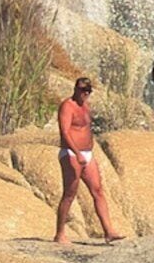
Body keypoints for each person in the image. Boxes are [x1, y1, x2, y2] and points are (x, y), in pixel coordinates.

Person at [51, 75, 123, 243]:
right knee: (69, 193)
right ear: (76, 89)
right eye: (83, 90)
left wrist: (88, 151)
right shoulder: (67, 106)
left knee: (98, 190)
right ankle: (60, 233)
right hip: (71, 153)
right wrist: (77, 153)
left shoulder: (86, 106)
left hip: (87, 153)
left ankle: (109, 231)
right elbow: (65, 132)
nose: (85, 94)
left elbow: (85, 129)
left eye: (88, 91)